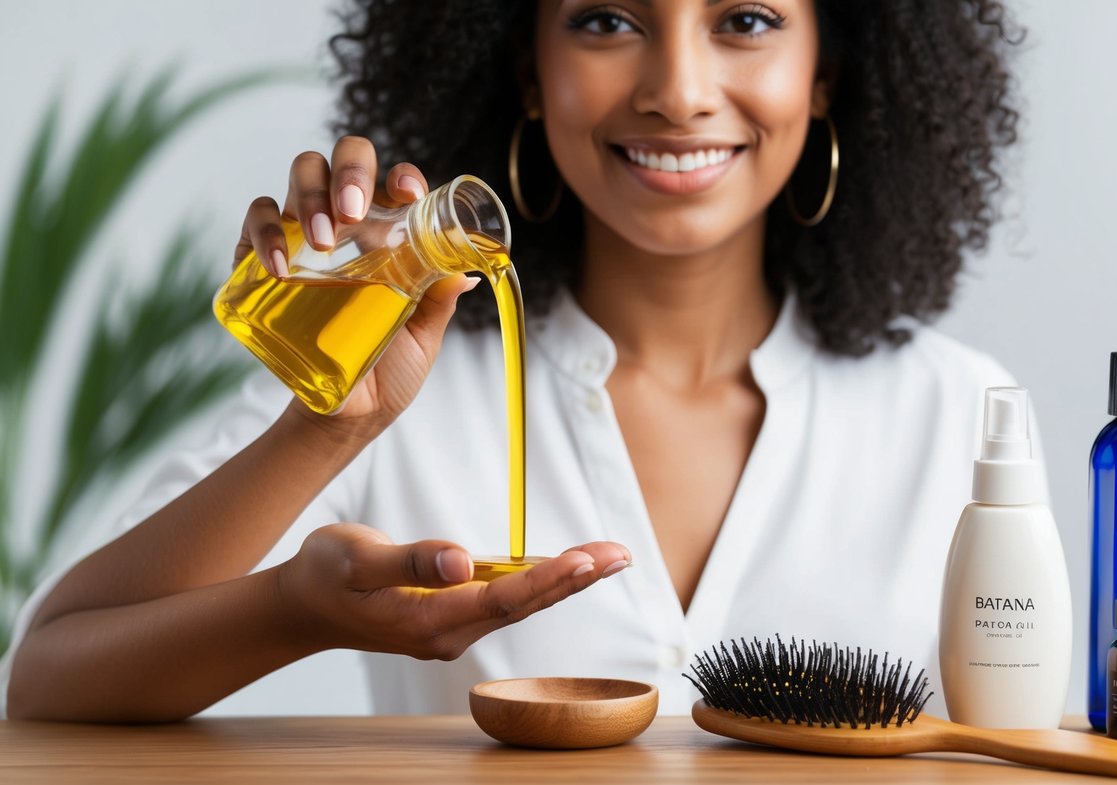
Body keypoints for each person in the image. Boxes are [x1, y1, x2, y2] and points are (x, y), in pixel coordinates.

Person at [4, 0, 1024, 722]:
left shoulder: (960, 413)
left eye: (746, 19)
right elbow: (46, 682)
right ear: (527, 72)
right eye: (605, 20)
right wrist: (321, 465)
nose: (677, 90)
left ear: (827, 72)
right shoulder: (410, 386)